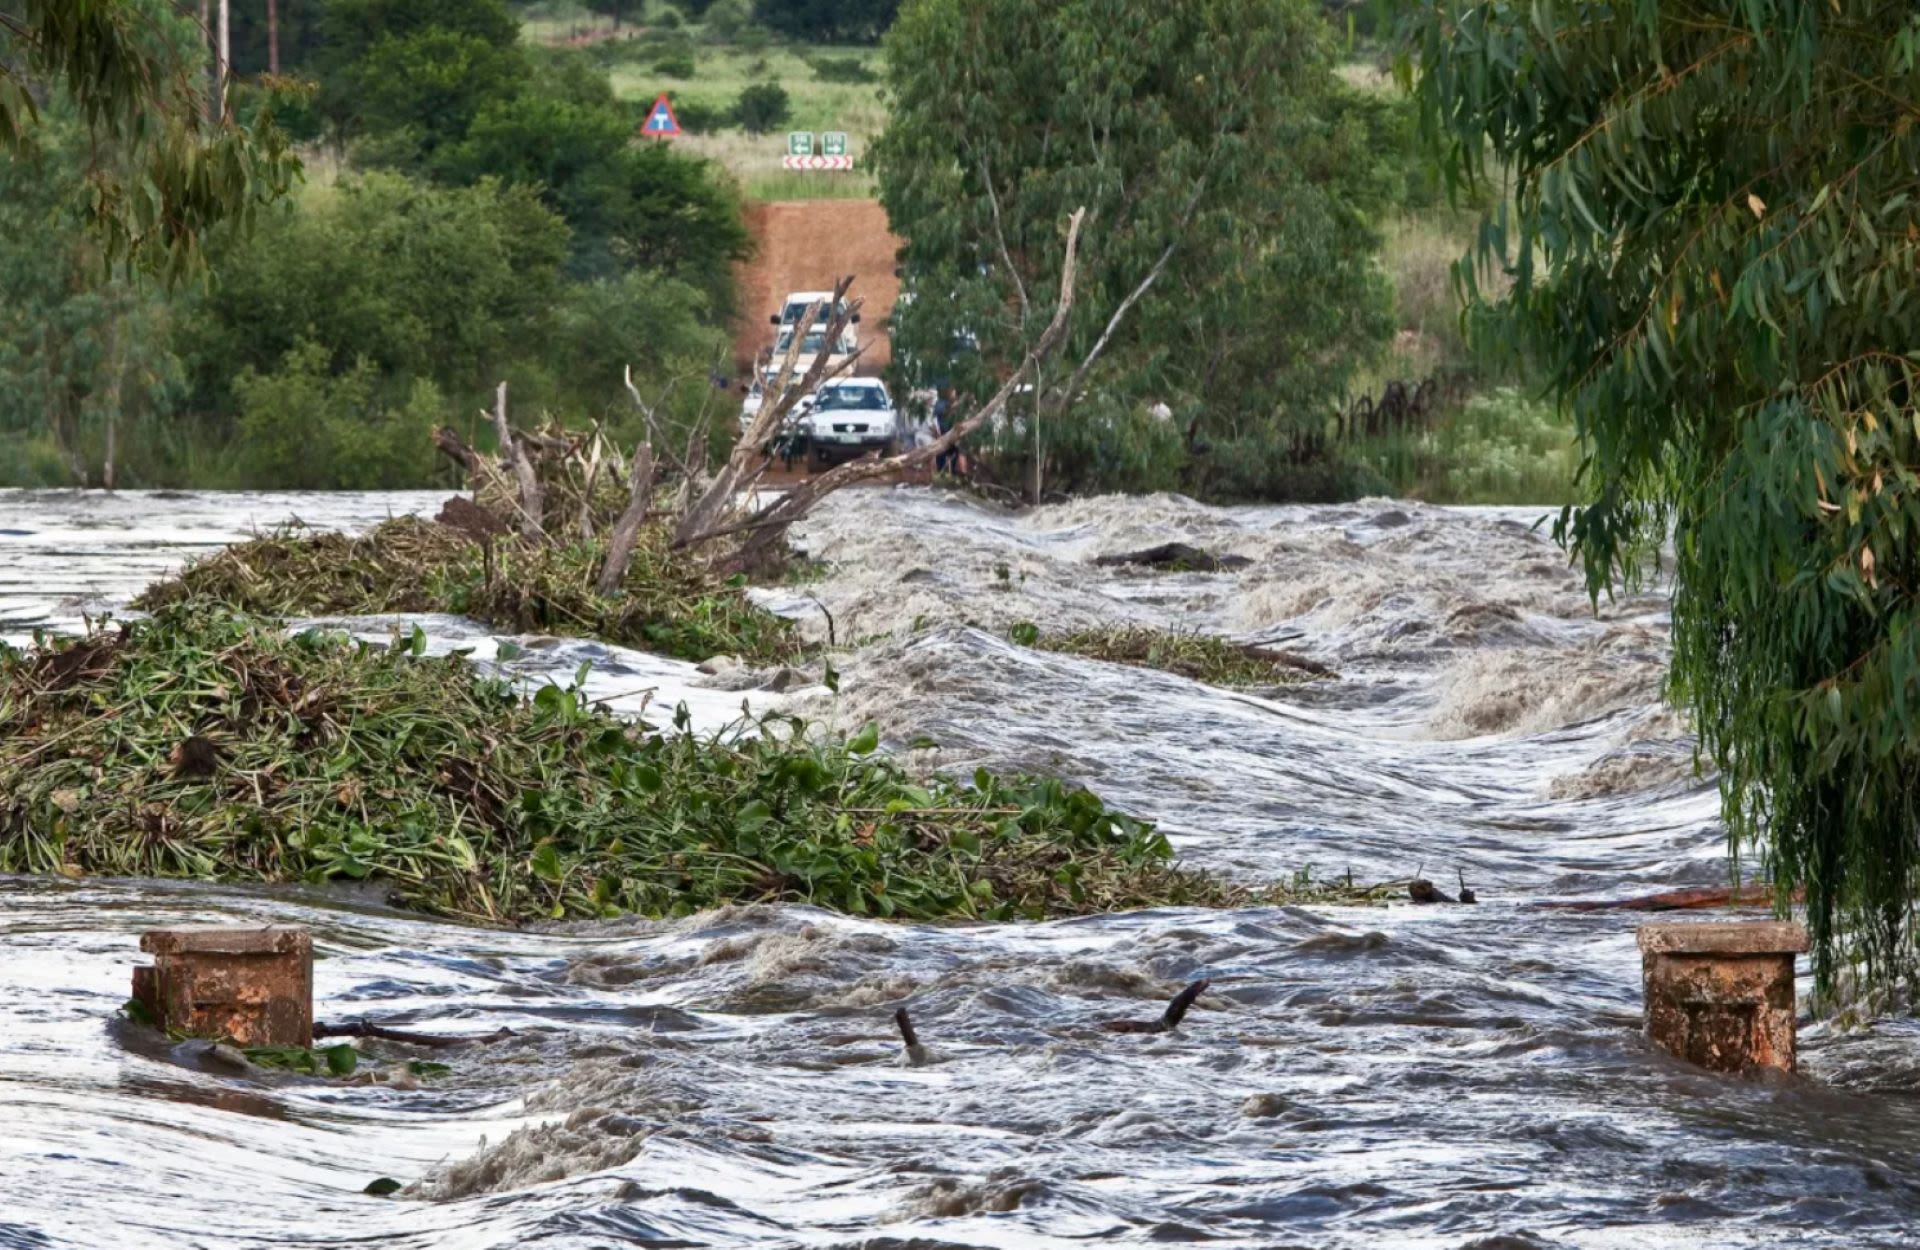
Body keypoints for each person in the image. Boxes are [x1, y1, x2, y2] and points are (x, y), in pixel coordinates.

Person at [932, 386, 960, 476]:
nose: (954, 394)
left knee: (954, 451)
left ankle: (952, 471)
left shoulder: (951, 403)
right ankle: (941, 471)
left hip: (951, 432)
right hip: (943, 431)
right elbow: (943, 412)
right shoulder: (940, 403)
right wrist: (953, 407)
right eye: (952, 392)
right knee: (941, 452)